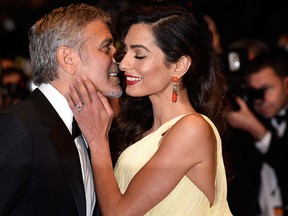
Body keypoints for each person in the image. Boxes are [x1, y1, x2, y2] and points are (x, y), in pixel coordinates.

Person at [66, 4, 232, 215]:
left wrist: (98, 140)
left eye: (139, 55)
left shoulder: (192, 129)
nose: (123, 64)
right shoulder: (141, 130)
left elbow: (119, 213)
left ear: (179, 66)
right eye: (125, 51)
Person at [0, 3, 122, 216]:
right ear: (68, 59)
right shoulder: (19, 127)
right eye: (106, 47)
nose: (118, 57)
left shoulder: (91, 127)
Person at [228, 49, 288, 216]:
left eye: (265, 89)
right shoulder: (243, 125)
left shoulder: (252, 125)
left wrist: (257, 131)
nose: (259, 99)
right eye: (253, 92)